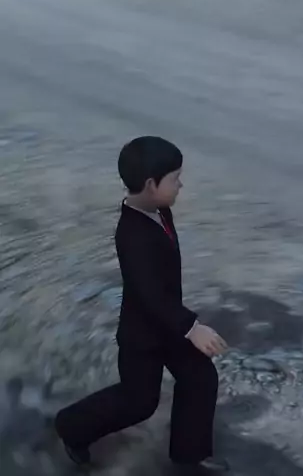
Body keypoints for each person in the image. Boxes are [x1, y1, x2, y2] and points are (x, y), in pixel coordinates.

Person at [55, 135, 229, 473]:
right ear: (151, 185)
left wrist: (182, 326)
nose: (181, 185)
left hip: (169, 325)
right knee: (138, 402)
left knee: (200, 378)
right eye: (175, 179)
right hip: (144, 335)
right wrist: (192, 328)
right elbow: (149, 294)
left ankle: (189, 454)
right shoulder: (131, 235)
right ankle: (71, 427)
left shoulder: (160, 210)